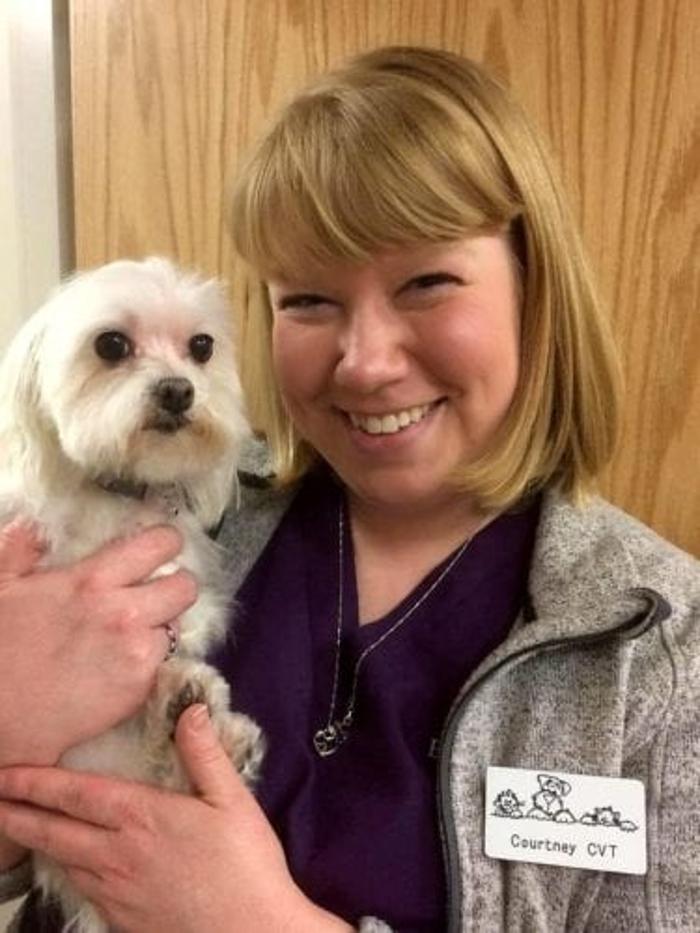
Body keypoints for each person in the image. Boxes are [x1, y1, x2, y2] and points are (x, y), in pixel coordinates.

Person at [1, 45, 698, 932]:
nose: (365, 363)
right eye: (308, 300)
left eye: (427, 283)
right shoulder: (168, 511)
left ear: (536, 289)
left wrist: (260, 922)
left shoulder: (664, 652)